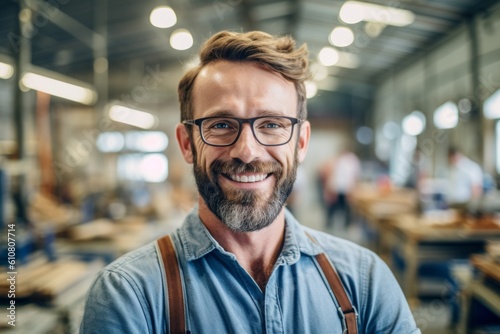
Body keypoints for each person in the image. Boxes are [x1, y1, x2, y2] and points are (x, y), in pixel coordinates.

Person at [80, 31, 420, 333]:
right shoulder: (130, 295)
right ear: (187, 143)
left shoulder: (364, 281)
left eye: (271, 125)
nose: (246, 151)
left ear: (301, 143)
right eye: (221, 124)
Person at [321, 148, 361, 229]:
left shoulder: (352, 160)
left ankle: (346, 224)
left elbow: (354, 176)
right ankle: (330, 223)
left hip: (346, 188)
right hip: (337, 187)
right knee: (333, 206)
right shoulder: (339, 160)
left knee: (346, 207)